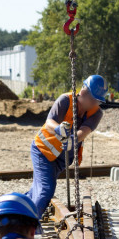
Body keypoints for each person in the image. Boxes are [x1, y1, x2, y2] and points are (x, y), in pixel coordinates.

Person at [27, 75, 108, 217]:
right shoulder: (65, 100)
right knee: (46, 190)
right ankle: (30, 224)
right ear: (83, 93)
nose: (96, 103)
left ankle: (15, 209)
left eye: (98, 101)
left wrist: (72, 139)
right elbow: (49, 121)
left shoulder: (97, 113)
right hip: (43, 151)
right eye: (94, 99)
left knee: (37, 190)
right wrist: (58, 129)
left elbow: (85, 130)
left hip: (60, 159)